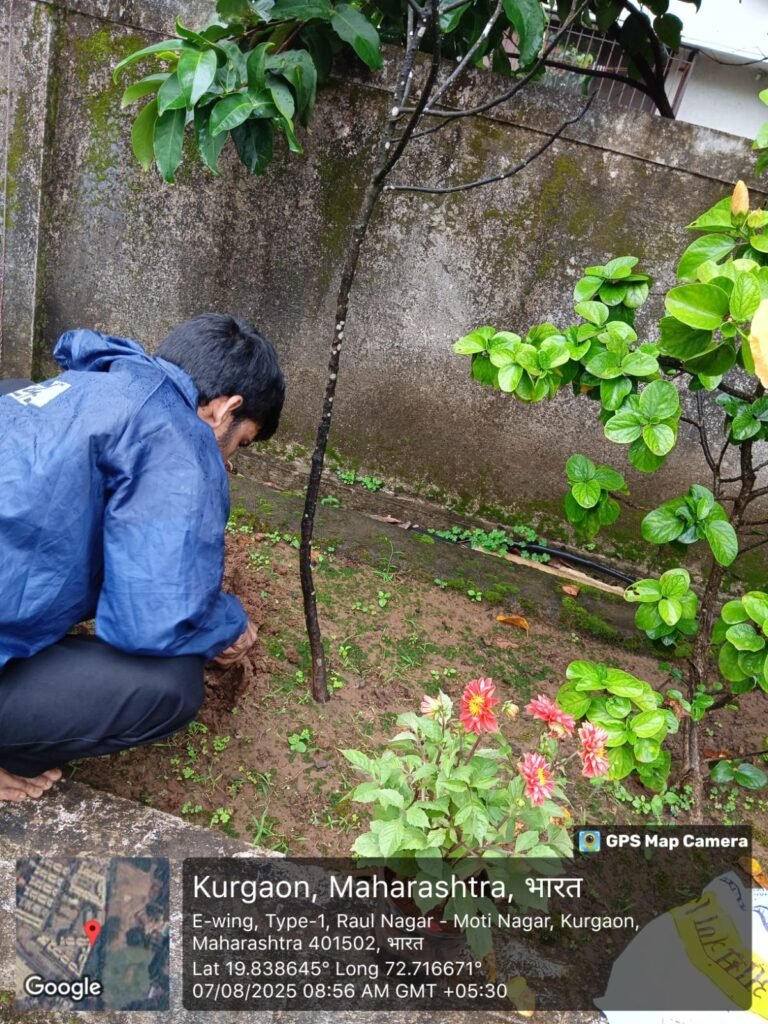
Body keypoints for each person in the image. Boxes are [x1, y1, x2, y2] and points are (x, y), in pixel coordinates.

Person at [0, 313, 285, 802]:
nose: (227, 461)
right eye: (240, 442)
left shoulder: (77, 386)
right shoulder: (176, 436)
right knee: (171, 686)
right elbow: (153, 621)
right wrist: (226, 624)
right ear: (225, 409)